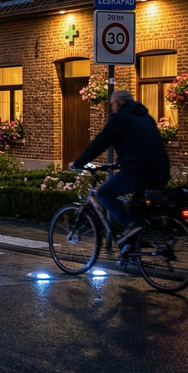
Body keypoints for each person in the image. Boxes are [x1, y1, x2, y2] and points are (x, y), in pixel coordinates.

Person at [70, 89, 171, 258]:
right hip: (161, 171)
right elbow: (142, 145)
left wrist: (79, 163)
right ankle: (131, 251)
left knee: (104, 193)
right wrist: (119, 163)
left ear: (117, 103)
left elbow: (100, 142)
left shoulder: (120, 118)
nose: (112, 108)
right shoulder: (146, 117)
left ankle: (129, 226)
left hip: (139, 171)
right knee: (135, 208)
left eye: (112, 105)